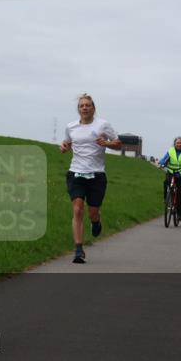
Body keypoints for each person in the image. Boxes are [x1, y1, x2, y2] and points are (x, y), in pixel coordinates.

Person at [60, 94, 121, 263]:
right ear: (78, 109)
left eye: (88, 105)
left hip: (97, 175)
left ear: (93, 108)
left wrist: (106, 144)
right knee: (78, 209)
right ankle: (78, 250)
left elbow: (118, 143)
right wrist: (64, 147)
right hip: (76, 173)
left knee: (92, 212)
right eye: (82, 106)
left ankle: (96, 221)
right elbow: (67, 143)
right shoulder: (70, 127)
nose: (84, 108)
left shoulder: (103, 125)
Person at [158, 137, 181, 221]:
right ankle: (166, 199)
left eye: (180, 143)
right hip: (171, 172)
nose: (179, 144)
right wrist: (161, 163)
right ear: (174, 143)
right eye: (177, 143)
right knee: (166, 182)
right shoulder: (171, 151)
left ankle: (180, 214)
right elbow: (165, 158)